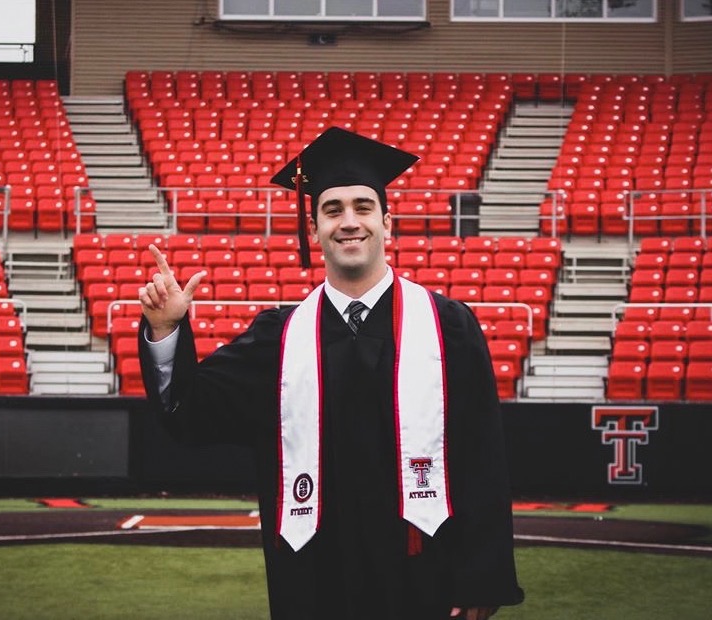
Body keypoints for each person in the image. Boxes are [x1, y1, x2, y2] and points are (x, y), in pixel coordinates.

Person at [138, 127, 524, 619]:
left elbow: (483, 456)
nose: (349, 222)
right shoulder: (277, 338)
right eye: (332, 209)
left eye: (363, 207)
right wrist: (167, 329)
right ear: (315, 228)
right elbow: (188, 413)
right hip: (316, 582)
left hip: (425, 575)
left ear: (387, 222)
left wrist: (481, 577)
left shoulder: (449, 326)